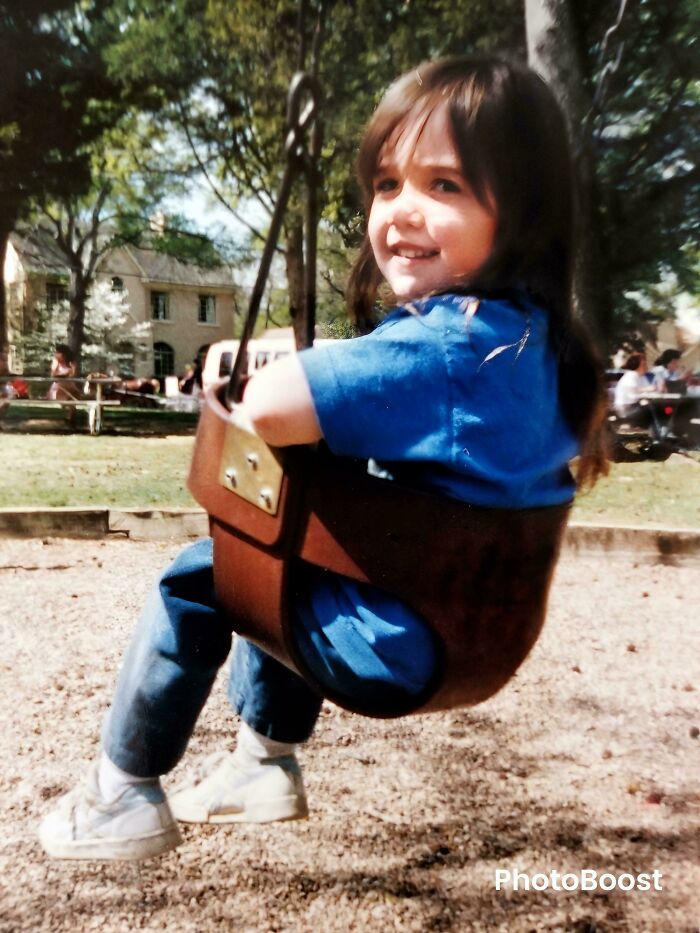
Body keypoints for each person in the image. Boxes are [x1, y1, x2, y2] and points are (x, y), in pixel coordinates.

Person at [38, 55, 608, 862]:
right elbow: (376, 370)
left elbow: (268, 407)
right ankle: (261, 765)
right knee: (290, 561)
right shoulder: (535, 342)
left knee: (207, 575)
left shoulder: (442, 346)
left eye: (443, 186)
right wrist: (289, 351)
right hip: (482, 636)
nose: (403, 212)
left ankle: (121, 794)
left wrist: (234, 367)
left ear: (521, 210)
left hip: (396, 644)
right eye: (388, 184)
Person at [614, 353, 656, 424]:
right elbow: (634, 391)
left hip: (632, 406)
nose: (646, 367)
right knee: (654, 410)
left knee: (653, 408)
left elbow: (648, 389)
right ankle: (657, 433)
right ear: (637, 365)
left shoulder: (641, 377)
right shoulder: (631, 375)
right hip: (626, 408)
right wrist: (648, 389)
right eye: (643, 364)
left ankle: (658, 432)